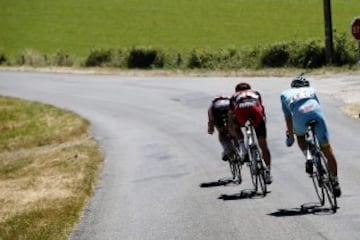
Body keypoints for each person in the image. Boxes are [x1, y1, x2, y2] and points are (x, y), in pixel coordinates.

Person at [280, 74, 341, 197]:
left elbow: (288, 119)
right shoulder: (311, 90)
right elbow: (318, 107)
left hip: (299, 116)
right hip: (316, 115)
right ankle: (335, 182)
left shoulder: (284, 94)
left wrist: (291, 136)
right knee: (327, 151)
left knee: (300, 136)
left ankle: (308, 157)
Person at [228, 82, 273, 184]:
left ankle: (243, 148)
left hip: (241, 113)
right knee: (263, 145)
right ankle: (268, 171)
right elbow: (261, 107)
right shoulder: (255, 92)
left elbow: (231, 114)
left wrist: (232, 130)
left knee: (236, 125)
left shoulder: (234, 96)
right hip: (256, 113)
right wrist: (262, 122)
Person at [207, 95, 232, 161]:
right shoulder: (229, 100)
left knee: (221, 132)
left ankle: (226, 150)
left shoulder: (212, 105)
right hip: (229, 106)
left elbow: (211, 120)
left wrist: (211, 129)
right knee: (234, 128)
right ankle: (240, 148)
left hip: (217, 110)